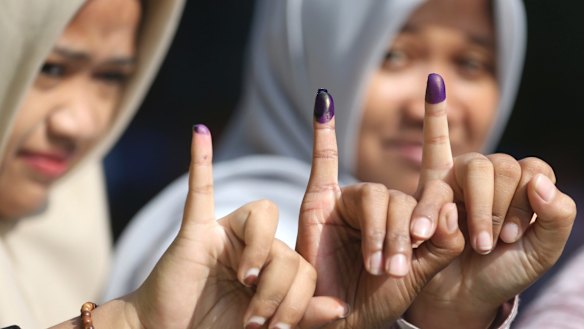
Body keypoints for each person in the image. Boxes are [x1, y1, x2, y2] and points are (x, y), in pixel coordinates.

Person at [106, 0, 576, 328]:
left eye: (472, 64)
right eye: (393, 55)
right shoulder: (229, 245)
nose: (432, 106)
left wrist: (450, 314)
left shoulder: (459, 253)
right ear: (309, 52)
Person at [1, 1, 344, 328]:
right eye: (50, 68)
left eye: (111, 77)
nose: (80, 123)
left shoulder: (73, 218)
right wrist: (128, 321)